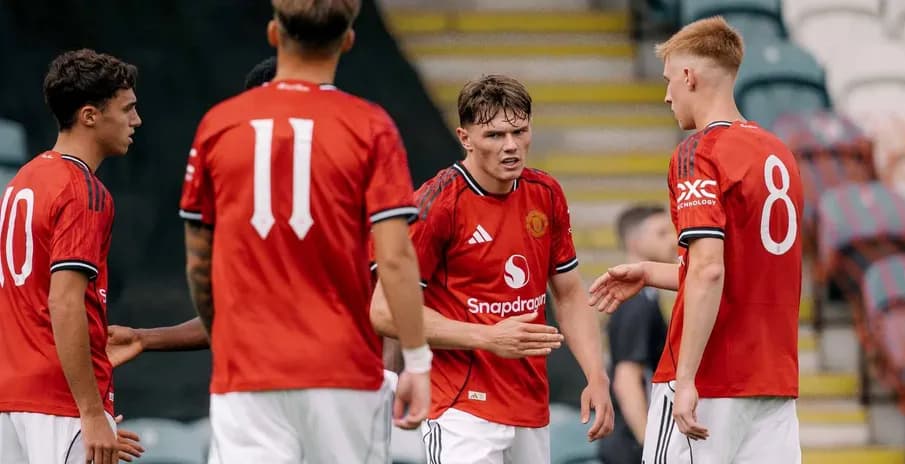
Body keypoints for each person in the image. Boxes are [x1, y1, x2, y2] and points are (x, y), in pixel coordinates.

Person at [178, 1, 432, 462]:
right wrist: (417, 360)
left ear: (274, 33)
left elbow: (199, 261)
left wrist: (229, 338)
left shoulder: (218, 125)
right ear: (348, 41)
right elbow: (395, 259)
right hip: (343, 371)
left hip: (249, 371)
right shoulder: (371, 126)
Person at [588, 16, 804, 464]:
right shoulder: (778, 153)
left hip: (712, 379)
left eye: (669, 81)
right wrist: (650, 272)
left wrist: (685, 379)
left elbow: (710, 268)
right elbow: (742, 270)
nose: (667, 95)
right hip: (773, 382)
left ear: (689, 76)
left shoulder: (698, 153)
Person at [369, 74, 615, 464]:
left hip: (530, 405)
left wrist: (597, 376)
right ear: (465, 137)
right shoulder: (436, 204)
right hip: (459, 406)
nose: (512, 146)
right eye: (495, 135)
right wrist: (487, 337)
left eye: (520, 131)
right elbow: (384, 311)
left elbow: (568, 294)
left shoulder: (546, 193)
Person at [0, 49, 144, 464]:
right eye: (128, 109)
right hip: (59, 402)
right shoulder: (83, 190)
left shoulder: (23, 180)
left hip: (12, 401)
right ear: (89, 115)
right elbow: (63, 301)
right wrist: (91, 413)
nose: (136, 121)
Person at [598, 205, 672, 464]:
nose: (674, 241)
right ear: (636, 242)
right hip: (630, 446)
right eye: (662, 233)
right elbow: (626, 379)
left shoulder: (646, 298)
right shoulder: (636, 303)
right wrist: (649, 447)